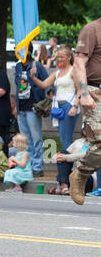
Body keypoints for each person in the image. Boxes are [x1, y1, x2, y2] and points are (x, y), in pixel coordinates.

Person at [67, 16, 101, 205]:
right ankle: (80, 174)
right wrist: (84, 92)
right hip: (96, 92)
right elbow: (79, 63)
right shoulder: (92, 29)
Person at [37, 46, 80, 194]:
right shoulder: (57, 73)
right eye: (58, 57)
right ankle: (64, 181)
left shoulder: (73, 71)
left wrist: (75, 106)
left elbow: (81, 90)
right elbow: (43, 85)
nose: (59, 59)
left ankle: (65, 181)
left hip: (68, 106)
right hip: (58, 108)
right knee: (65, 142)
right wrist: (33, 76)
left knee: (66, 143)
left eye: (61, 57)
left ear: (69, 57)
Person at [14, 48, 48, 176]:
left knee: (36, 138)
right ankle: (28, 165)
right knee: (25, 139)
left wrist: (48, 98)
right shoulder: (17, 66)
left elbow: (47, 82)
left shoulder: (36, 65)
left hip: (33, 107)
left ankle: (37, 167)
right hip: (21, 107)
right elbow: (18, 86)